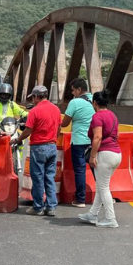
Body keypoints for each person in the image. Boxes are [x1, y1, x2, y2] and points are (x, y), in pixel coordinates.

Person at [13, 85, 61, 216]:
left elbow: (28, 131)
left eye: (33, 97)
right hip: (52, 146)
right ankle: (51, 207)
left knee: (38, 177)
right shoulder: (56, 109)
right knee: (49, 177)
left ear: (36, 97)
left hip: (39, 147)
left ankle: (38, 207)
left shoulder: (34, 111)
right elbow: (59, 129)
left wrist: (17, 140)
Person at [78, 90, 121, 228]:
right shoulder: (113, 116)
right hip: (116, 154)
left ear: (94, 103)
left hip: (105, 154)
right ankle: (93, 214)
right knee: (101, 185)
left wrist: (92, 156)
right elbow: (117, 135)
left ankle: (111, 218)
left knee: (103, 187)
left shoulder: (97, 117)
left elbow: (97, 137)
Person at [60, 78, 95, 208]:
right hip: (94, 141)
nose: (72, 93)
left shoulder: (75, 102)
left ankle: (80, 200)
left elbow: (65, 123)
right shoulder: (95, 100)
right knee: (97, 169)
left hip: (79, 141)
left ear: (79, 90)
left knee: (80, 170)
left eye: (73, 90)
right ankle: (105, 196)